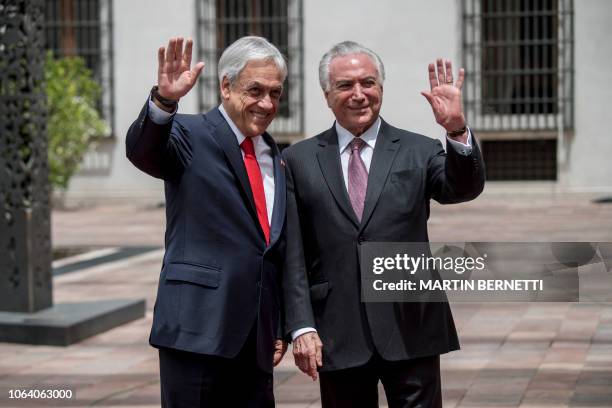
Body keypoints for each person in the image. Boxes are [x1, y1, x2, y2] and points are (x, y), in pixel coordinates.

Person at [282, 41, 485, 407]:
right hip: (337, 330)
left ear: (381, 89)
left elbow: (462, 188)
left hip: (412, 325)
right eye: (346, 85)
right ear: (327, 95)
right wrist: (301, 325)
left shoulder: (418, 150)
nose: (359, 94)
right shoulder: (297, 160)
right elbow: (293, 252)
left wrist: (456, 129)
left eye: (368, 83)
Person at [126, 36, 288, 407]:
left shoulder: (275, 155)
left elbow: (272, 248)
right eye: (256, 90)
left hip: (257, 339)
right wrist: (164, 102)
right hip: (196, 330)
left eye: (275, 93)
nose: (266, 103)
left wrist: (277, 324)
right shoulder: (188, 133)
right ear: (226, 86)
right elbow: (143, 150)